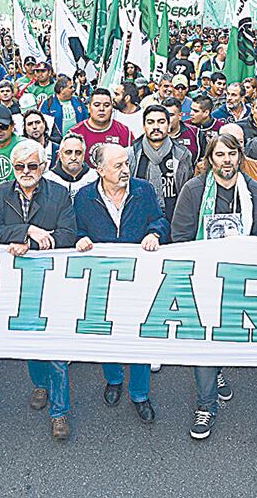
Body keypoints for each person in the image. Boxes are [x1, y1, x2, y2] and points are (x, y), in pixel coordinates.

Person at [171, 134, 257, 440]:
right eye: (220, 154)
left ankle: (216, 373)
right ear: (210, 158)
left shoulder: (254, 191)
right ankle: (206, 404)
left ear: (239, 156)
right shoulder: (194, 189)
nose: (226, 160)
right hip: (203, 277)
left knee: (225, 335)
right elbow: (180, 234)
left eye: (231, 154)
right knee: (204, 339)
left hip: (240, 279)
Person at [0, 139, 77, 439]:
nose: (25, 171)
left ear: (45, 166)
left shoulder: (60, 194)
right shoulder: (0, 193)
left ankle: (60, 412)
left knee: (56, 348)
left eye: (32, 165)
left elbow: (67, 234)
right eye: (19, 166)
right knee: (31, 343)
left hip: (52, 281)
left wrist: (32, 244)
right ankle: (41, 384)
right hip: (16, 285)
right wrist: (27, 230)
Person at [73, 143, 169, 423]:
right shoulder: (83, 197)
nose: (125, 170)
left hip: (139, 278)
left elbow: (160, 220)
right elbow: (76, 229)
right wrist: (80, 238)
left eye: (126, 164)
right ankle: (113, 379)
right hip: (102, 282)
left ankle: (140, 393)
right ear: (99, 169)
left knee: (139, 335)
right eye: (118, 166)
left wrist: (154, 234)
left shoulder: (143, 190)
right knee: (108, 333)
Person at [127, 104, 193, 221]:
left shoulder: (182, 154)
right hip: (138, 217)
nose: (156, 127)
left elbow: (186, 191)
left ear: (168, 125)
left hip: (173, 217)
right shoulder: (131, 154)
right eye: (150, 122)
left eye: (161, 122)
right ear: (144, 126)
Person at [71, 88, 134, 166]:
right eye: (97, 105)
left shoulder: (125, 132)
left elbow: (132, 164)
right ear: (89, 108)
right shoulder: (75, 133)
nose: (101, 109)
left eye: (106, 105)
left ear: (112, 108)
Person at [43, 132, 98, 200]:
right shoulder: (47, 180)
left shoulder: (96, 178)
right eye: (68, 152)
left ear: (84, 154)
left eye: (78, 153)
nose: (73, 157)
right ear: (60, 154)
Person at [163, 96, 203, 165]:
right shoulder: (154, 134)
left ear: (180, 116)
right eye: (164, 115)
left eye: (171, 115)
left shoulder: (195, 133)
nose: (167, 119)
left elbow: (204, 160)